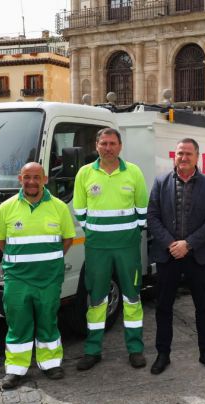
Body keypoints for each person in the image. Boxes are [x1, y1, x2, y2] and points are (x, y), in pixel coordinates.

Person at [0, 162, 76, 389]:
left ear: (45, 179)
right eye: (27, 177)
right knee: (18, 323)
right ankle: (15, 370)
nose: (32, 181)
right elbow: (1, 242)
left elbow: (68, 239)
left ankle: (50, 364)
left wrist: (48, 260)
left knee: (48, 320)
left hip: (49, 278)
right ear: (20, 179)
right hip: (17, 279)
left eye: (36, 177)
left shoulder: (59, 207)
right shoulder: (6, 208)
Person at [73, 128, 149, 371]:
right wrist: (96, 232)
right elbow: (80, 211)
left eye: (112, 143)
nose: (108, 147)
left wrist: (129, 233)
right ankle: (92, 350)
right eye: (104, 143)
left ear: (120, 146)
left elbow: (142, 210)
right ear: (97, 146)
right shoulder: (85, 173)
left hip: (127, 246)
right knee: (96, 299)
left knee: (132, 297)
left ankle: (135, 349)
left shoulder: (133, 172)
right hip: (97, 247)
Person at [146, 138, 205, 374]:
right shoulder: (160, 182)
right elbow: (152, 217)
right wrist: (171, 243)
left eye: (188, 153)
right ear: (174, 156)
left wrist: (188, 244)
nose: (184, 157)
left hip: (197, 255)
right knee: (163, 306)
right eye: (180, 153)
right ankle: (163, 354)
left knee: (203, 307)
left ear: (197, 156)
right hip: (168, 255)